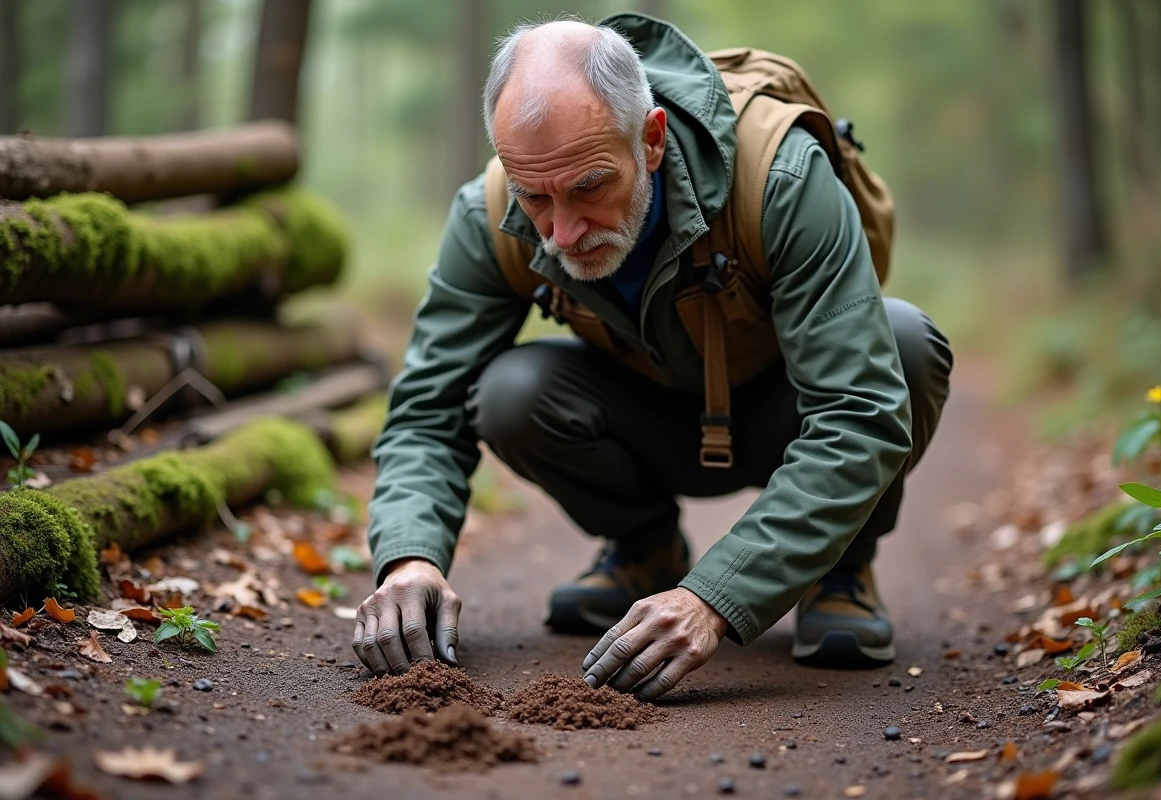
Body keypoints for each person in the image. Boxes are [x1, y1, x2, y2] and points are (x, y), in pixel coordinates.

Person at [352, 13, 952, 701]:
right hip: (646, 423)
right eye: (535, 196)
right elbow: (429, 406)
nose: (563, 230)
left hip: (786, 416)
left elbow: (858, 412)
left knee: (904, 344)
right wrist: (409, 559)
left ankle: (839, 568)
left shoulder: (781, 176)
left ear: (654, 140)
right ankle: (645, 553)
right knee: (509, 389)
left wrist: (714, 600)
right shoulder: (490, 214)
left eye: (589, 186)